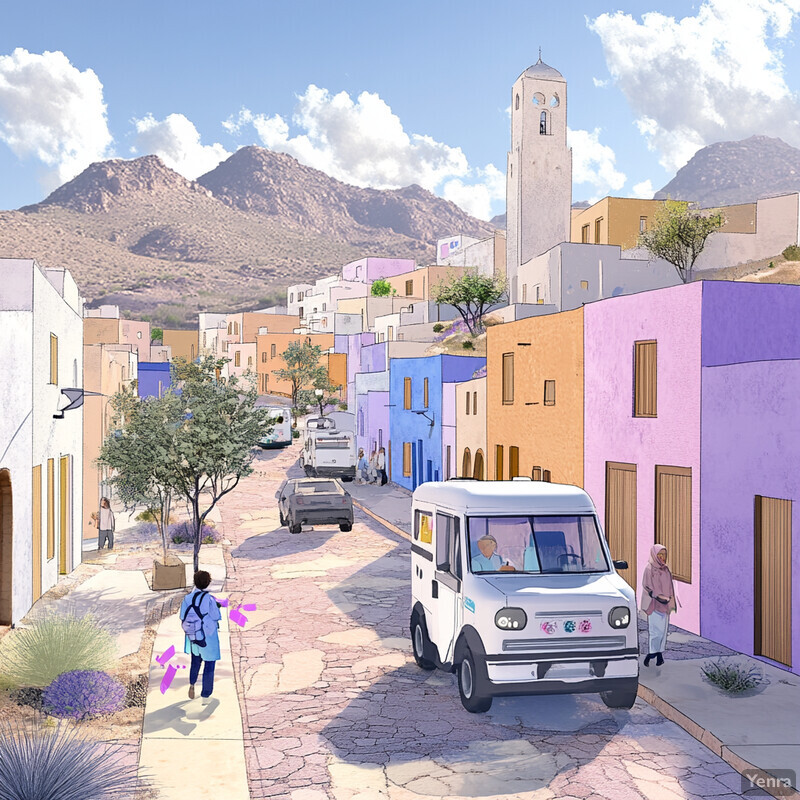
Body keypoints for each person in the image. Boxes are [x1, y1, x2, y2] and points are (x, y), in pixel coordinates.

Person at [181, 570, 222, 703]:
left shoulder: (187, 598)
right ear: (208, 583)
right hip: (208, 636)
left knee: (195, 662)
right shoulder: (209, 599)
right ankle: (205, 695)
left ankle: (192, 684)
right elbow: (216, 616)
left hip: (193, 635)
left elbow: (182, 616)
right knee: (209, 665)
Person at [640, 544, 678, 667]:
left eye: (664, 555)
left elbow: (670, 588)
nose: (662, 558)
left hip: (665, 605)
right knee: (655, 631)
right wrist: (659, 597)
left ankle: (659, 655)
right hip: (654, 604)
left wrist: (671, 601)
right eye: (660, 555)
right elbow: (647, 587)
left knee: (663, 631)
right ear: (655, 556)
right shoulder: (649, 569)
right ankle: (651, 654)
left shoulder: (666, 570)